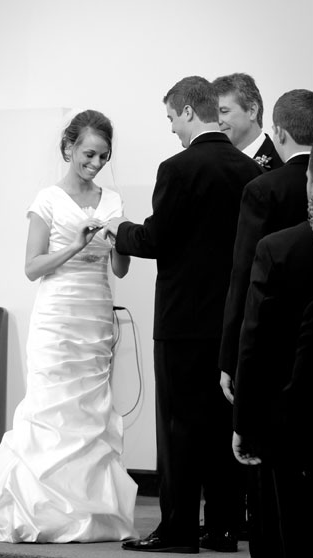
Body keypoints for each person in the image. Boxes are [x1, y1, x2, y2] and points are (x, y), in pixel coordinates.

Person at [0, 110, 137, 543]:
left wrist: (120, 241)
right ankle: (37, 504)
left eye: (103, 157)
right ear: (68, 148)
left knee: (90, 412)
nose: (95, 163)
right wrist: (76, 245)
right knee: (50, 408)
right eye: (88, 154)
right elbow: (32, 268)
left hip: (96, 315)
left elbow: (121, 270)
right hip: (58, 318)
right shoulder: (48, 200)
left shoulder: (112, 201)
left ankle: (87, 509)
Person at [107, 76, 260, 554]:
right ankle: (220, 528)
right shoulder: (248, 171)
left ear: (189, 112)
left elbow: (157, 239)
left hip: (181, 323)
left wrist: (120, 230)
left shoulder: (177, 167)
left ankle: (176, 530)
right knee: (220, 427)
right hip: (228, 324)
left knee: (178, 429)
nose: (172, 128)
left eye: (172, 117)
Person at [232, 141, 313, 557]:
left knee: (277, 527)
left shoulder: (277, 248)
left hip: (280, 412)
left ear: (311, 183)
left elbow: (254, 338)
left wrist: (242, 421)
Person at [218, 89, 313, 406]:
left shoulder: (262, 188)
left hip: (272, 336)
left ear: (278, 131)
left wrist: (228, 358)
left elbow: (243, 274)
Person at [213, 72, 283, 170]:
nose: (217, 121)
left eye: (224, 111)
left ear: (252, 111)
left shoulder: (281, 164)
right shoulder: (212, 164)